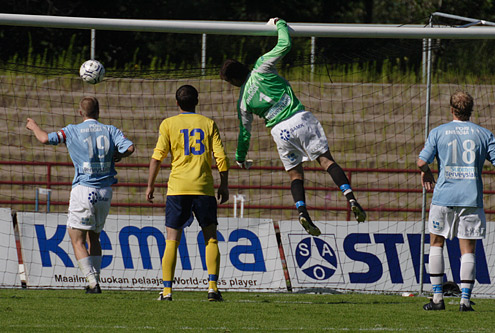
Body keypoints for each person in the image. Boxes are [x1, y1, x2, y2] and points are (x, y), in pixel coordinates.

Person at [220, 18, 366, 236]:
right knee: (326, 161)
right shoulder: (262, 65)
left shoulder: (243, 101)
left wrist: (241, 158)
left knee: (296, 175)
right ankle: (351, 198)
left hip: (279, 132)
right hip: (300, 118)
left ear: (233, 81)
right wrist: (280, 23)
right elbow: (285, 45)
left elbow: (244, 133)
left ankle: (302, 212)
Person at [26, 96, 135, 293]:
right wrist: (119, 155)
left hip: (84, 189)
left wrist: (33, 126)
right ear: (98, 112)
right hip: (104, 192)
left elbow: (44, 138)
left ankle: (92, 283)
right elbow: (130, 147)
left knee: (76, 238)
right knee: (95, 237)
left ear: (80, 112)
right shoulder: (110, 130)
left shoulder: (72, 130)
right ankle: (95, 280)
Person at [418, 90, 495, 311]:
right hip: (471, 199)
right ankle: (464, 300)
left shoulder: (438, 132)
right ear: (471, 110)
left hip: (443, 197)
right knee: (468, 250)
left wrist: (426, 172)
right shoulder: (484, 134)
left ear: (451, 109)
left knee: (436, 245)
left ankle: (437, 298)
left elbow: (420, 162)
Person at [146, 85, 229, 302]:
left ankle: (167, 291)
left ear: (176, 103)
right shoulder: (208, 123)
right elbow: (220, 157)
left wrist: (150, 185)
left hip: (177, 189)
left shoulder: (168, 124)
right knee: (210, 237)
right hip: (203, 188)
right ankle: (212, 288)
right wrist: (224, 184)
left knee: (172, 240)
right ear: (197, 101)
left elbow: (157, 157)